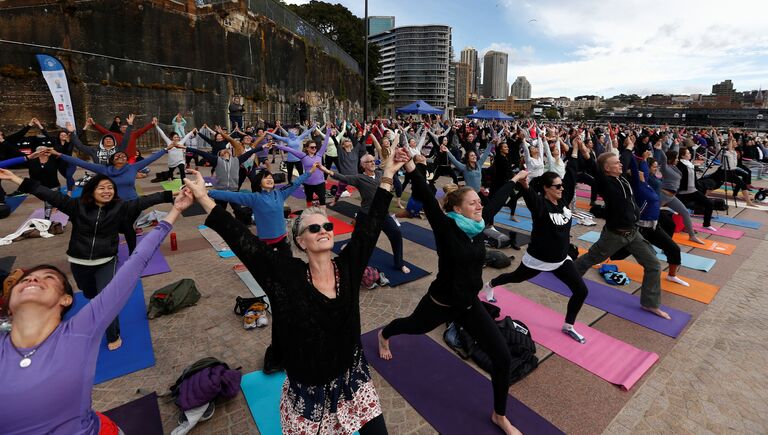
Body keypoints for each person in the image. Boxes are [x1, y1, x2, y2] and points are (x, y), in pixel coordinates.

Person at [185, 146, 407, 434]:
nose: (324, 230)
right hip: (309, 391)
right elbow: (244, 244)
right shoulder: (287, 277)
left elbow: (371, 226)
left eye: (327, 225)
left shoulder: (349, 267)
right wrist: (204, 197)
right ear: (301, 241)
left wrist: (387, 174)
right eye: (314, 229)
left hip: (353, 380)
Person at [0, 187, 186, 434]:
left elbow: (136, 262)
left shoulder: (80, 330)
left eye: (48, 278)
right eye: (26, 280)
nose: (33, 280)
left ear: (66, 299)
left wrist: (176, 211)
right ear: (8, 304)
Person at [377, 157, 520, 435]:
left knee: (502, 357)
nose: (479, 205)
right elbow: (428, 198)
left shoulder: (479, 225)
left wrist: (515, 180)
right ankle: (385, 334)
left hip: (468, 305)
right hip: (440, 304)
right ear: (457, 208)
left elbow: (497, 201)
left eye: (479, 201)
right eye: (472, 203)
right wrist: (409, 167)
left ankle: (499, 415)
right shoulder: (446, 228)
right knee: (412, 327)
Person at [0, 169, 174, 351]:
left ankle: (113, 334)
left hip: (106, 260)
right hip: (79, 260)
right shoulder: (76, 206)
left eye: (110, 188)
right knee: (89, 294)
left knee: (107, 299)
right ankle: (95, 300)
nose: (107, 191)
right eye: (101, 188)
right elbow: (46, 193)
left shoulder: (121, 207)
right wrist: (14, 178)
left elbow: (149, 199)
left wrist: (176, 194)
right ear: (91, 191)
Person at [484, 147, 590, 344]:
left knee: (581, 291)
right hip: (538, 259)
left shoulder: (563, 200)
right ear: (546, 188)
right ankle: (490, 285)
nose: (561, 189)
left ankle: (569, 326)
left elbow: (572, 176)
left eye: (561, 186)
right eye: (557, 186)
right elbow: (531, 196)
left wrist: (575, 150)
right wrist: (523, 184)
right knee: (515, 278)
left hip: (560, 259)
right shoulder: (540, 205)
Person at [573, 152, 670, 319]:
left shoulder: (623, 179)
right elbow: (593, 167)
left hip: (633, 233)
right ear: (607, 168)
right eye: (617, 163)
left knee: (653, 264)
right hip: (614, 235)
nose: (620, 165)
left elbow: (634, 166)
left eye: (620, 162)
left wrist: (641, 158)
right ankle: (569, 275)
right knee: (591, 259)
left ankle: (650, 303)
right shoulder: (605, 183)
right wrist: (584, 151)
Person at [320, 154, 411, 274]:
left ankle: (399, 264)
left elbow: (390, 168)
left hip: (383, 213)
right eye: (369, 162)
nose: (373, 163)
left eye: (374, 161)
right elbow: (343, 177)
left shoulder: (380, 174)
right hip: (366, 214)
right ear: (363, 165)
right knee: (358, 237)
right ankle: (349, 248)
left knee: (397, 234)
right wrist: (326, 170)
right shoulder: (358, 178)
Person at [273, 127, 330, 209]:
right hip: (308, 183)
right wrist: (278, 146)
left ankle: (323, 217)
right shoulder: (303, 156)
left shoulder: (319, 154)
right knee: (309, 200)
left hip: (320, 183)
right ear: (307, 148)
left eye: (315, 147)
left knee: (322, 200)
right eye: (312, 147)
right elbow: (290, 149)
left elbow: (325, 143)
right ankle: (309, 214)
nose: (314, 148)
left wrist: (328, 131)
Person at [676, 147, 716, 230]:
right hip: (683, 192)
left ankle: (706, 224)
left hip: (693, 191)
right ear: (682, 156)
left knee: (709, 203)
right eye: (688, 153)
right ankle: (683, 226)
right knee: (682, 210)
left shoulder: (689, 164)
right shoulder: (679, 165)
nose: (690, 154)